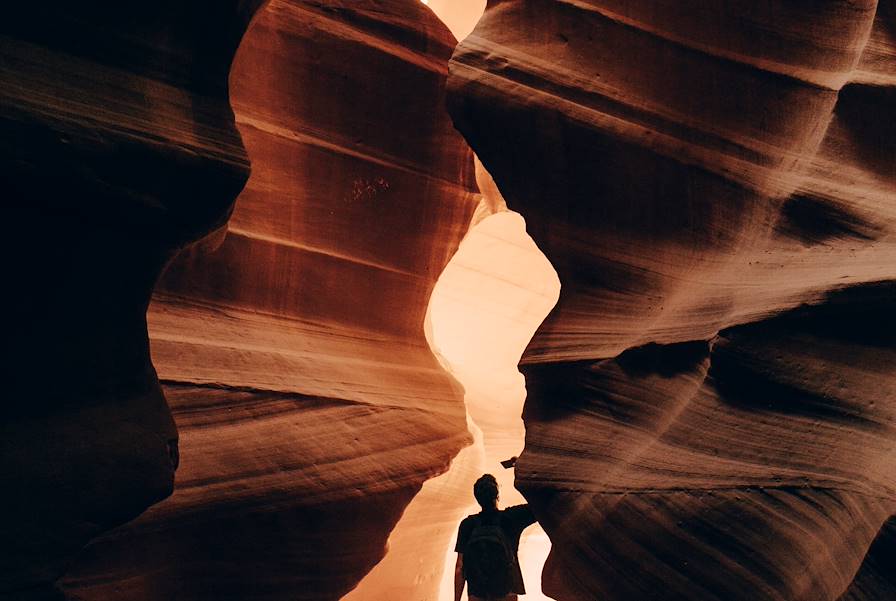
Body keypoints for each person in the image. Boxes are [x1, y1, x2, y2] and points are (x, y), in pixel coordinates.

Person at [454, 465, 536, 601]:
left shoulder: (467, 524)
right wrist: (523, 469)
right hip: (506, 591)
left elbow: (460, 567)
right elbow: (538, 505)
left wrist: (456, 600)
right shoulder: (512, 518)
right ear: (497, 495)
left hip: (477, 593)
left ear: (477, 497)